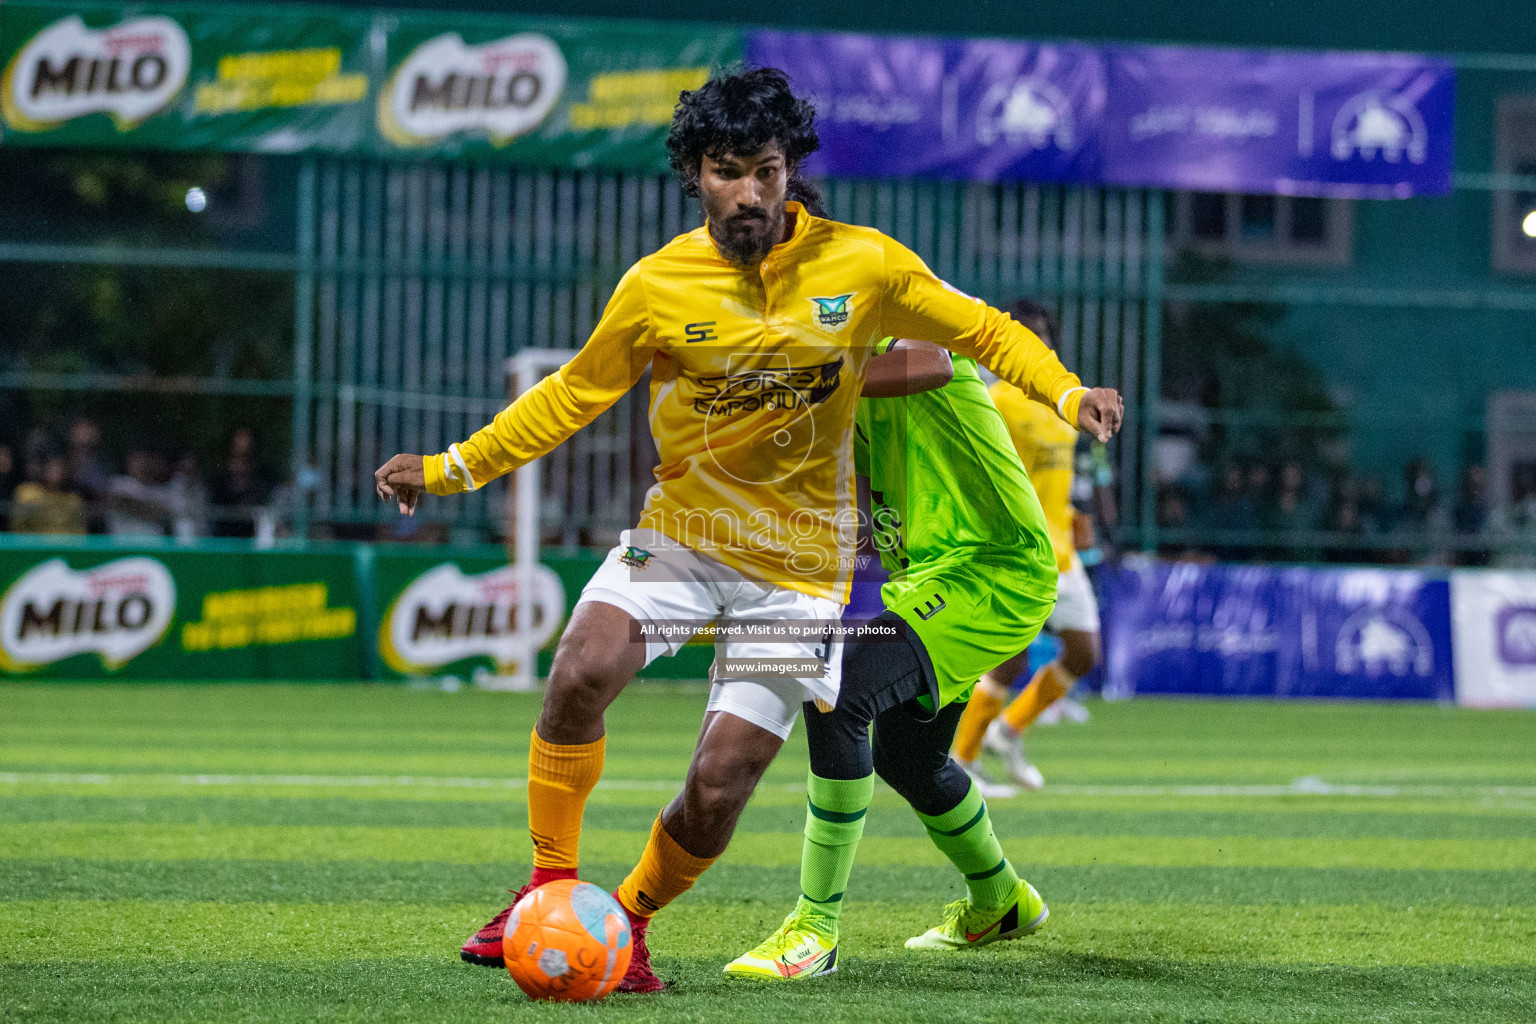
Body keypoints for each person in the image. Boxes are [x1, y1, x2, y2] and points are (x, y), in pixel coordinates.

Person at [373, 68, 1122, 992]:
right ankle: (547, 891)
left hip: (797, 572)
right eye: (730, 171)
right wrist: (454, 468)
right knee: (579, 673)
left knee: (719, 783)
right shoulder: (657, 285)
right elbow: (573, 393)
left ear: (788, 170)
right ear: (696, 172)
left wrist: (1066, 390)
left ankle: (629, 927)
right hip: (682, 537)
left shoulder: (865, 265)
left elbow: (982, 334)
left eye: (768, 170)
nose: (752, 193)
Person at [724, 330, 1061, 980]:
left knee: (838, 693)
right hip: (936, 577)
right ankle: (1001, 901)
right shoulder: (840, 380)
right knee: (909, 759)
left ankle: (814, 932)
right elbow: (857, 493)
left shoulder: (892, 315)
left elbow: (933, 362)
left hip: (994, 571)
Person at [949, 300, 1102, 793]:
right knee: (1008, 659)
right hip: (1017, 548)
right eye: (1026, 336)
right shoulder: (996, 402)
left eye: (1043, 336)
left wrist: (1075, 517)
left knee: (1084, 654)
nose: (1038, 345)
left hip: (1062, 550)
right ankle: (962, 760)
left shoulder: (1064, 404)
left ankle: (1008, 730)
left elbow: (1051, 478)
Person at [106, 447, 175, 537]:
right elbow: (119, 502)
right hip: (123, 548)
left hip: (154, 548)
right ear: (129, 461)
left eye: (145, 459)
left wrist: (136, 506)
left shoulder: (161, 491)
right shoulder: (117, 483)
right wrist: (155, 510)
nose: (142, 464)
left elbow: (169, 515)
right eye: (137, 459)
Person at [11, 455, 87, 535]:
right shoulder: (28, 493)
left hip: (66, 545)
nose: (56, 472)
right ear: (43, 469)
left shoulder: (73, 500)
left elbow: (80, 530)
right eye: (52, 467)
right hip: (34, 544)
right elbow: (18, 525)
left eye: (59, 468)